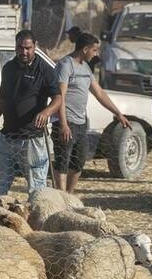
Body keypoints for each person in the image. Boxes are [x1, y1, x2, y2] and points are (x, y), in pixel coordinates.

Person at [0, 30, 62, 195]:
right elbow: (1, 100)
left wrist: (46, 112)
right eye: (20, 48)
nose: (24, 52)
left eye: (28, 48)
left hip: (32, 139)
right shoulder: (9, 68)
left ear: (35, 47)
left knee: (37, 190)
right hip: (7, 136)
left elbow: (58, 99)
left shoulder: (45, 70)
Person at [52, 33, 131, 194]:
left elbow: (99, 93)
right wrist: (64, 124)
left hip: (81, 123)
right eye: (94, 50)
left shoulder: (86, 67)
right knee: (62, 162)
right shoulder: (66, 65)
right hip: (65, 122)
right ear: (85, 49)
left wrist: (118, 113)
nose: (96, 54)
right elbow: (59, 96)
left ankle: (69, 195)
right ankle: (60, 198)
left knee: (79, 161)